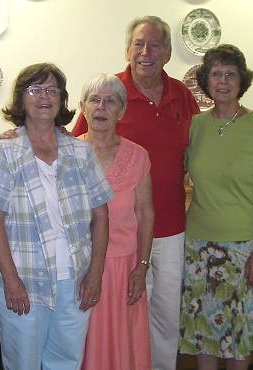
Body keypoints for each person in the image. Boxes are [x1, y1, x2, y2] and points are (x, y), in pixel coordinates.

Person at [72, 16, 199, 370]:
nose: (146, 52)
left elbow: (199, 146)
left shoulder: (182, 95)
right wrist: (19, 134)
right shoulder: (111, 92)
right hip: (118, 238)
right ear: (127, 49)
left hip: (171, 226)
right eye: (139, 44)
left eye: (155, 45)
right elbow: (70, 143)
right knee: (123, 313)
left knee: (165, 317)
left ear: (168, 52)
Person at [0, 63, 112, 370]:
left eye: (52, 90)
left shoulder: (81, 153)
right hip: (24, 280)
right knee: (23, 363)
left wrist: (95, 274)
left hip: (73, 280)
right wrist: (11, 281)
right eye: (35, 90)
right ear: (21, 98)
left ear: (62, 99)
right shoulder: (5, 152)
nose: (44, 97)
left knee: (66, 362)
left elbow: (101, 217)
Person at [178, 44, 253, 370]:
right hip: (199, 246)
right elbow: (173, 167)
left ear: (242, 81)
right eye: (216, 74)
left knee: (238, 334)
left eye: (230, 74)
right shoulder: (196, 126)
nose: (223, 81)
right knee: (204, 333)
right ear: (206, 80)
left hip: (244, 249)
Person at [77, 73, 154, 370]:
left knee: (125, 350)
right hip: (81, 268)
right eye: (95, 100)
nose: (101, 107)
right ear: (83, 107)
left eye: (110, 102)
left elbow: (146, 212)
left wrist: (142, 266)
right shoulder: (67, 153)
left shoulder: (138, 156)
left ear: (122, 111)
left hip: (124, 269)